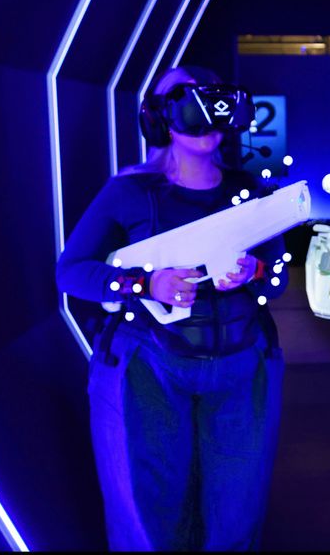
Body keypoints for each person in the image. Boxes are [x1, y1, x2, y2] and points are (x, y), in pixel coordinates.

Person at [56, 65, 287, 551]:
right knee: (147, 514)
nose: (201, 117)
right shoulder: (130, 190)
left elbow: (278, 274)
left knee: (236, 516)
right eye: (185, 102)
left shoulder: (249, 193)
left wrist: (254, 274)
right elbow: (72, 270)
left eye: (207, 101)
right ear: (160, 117)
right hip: (149, 368)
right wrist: (142, 284)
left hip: (243, 365)